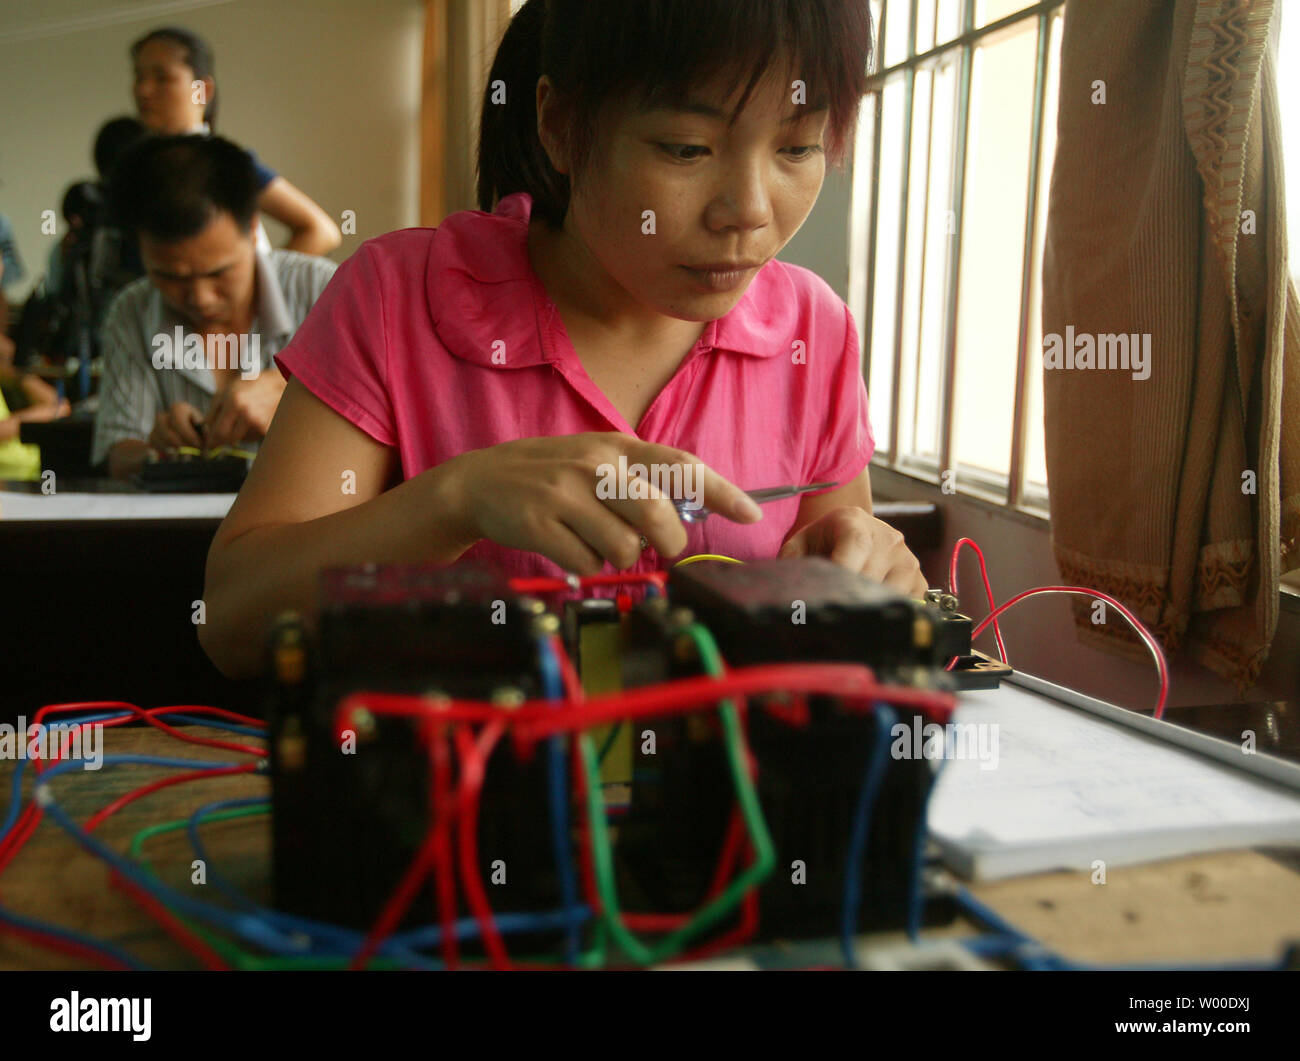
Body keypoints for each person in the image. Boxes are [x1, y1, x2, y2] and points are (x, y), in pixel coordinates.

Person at [200, 0, 925, 679]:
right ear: (559, 123)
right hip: (468, 801)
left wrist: (878, 569)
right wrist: (452, 500)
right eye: (686, 148)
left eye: (797, 148)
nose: (750, 210)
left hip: (725, 805)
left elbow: (843, 583)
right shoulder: (397, 296)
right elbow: (232, 620)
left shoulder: (812, 331)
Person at [92, 135, 336, 480]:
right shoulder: (132, 312)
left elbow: (393, 436)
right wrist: (155, 451)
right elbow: (119, 453)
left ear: (253, 228)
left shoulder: (323, 291)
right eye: (169, 277)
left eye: (218, 273)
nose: (200, 298)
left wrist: (296, 399)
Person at [130, 26, 341, 256]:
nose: (144, 90)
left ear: (203, 90)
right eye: (139, 77)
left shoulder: (223, 164)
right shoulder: (139, 168)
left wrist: (258, 284)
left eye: (162, 78)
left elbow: (320, 231)